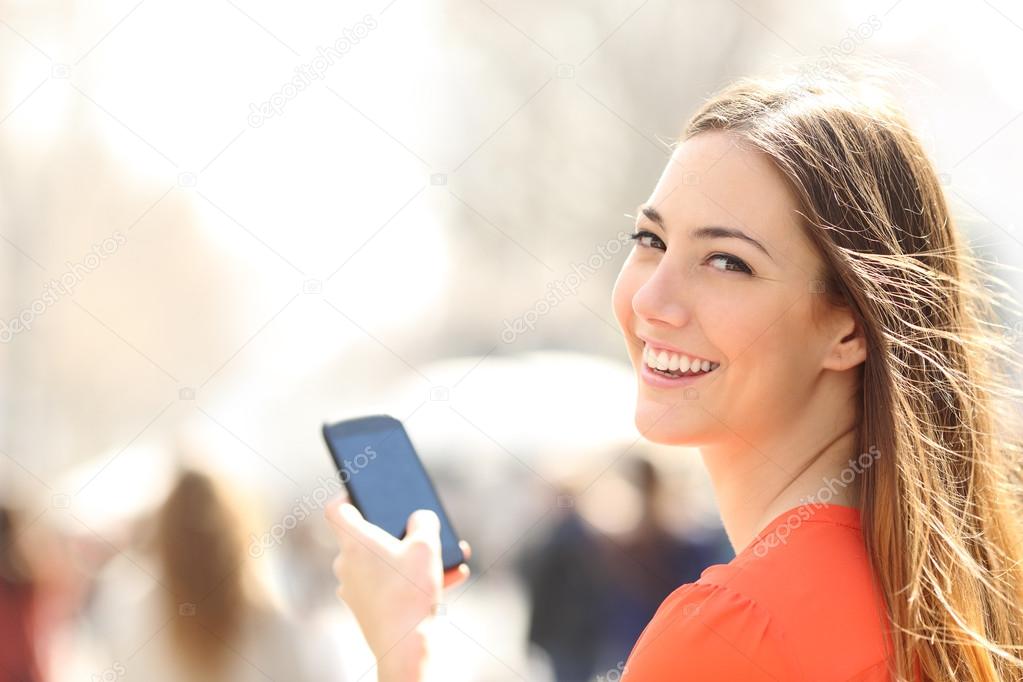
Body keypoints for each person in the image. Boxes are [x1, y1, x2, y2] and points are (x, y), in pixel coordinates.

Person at [323, 69, 1023, 681]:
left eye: (726, 261)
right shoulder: (964, 604)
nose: (652, 301)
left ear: (847, 326)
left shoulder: (732, 630)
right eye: (650, 241)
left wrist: (394, 657)